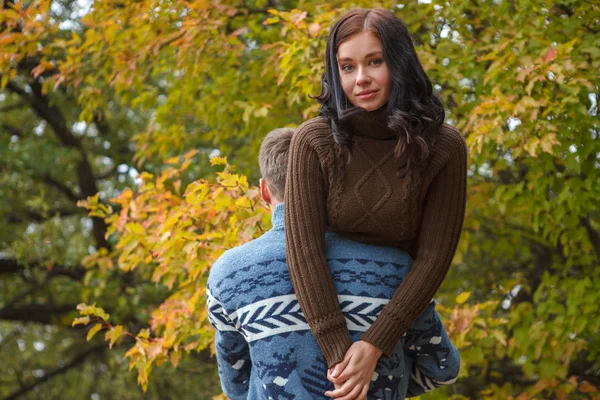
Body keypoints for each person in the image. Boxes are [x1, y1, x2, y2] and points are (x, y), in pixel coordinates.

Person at [283, 8, 467, 398]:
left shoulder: (444, 147)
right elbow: (304, 251)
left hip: (394, 330)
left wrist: (374, 345)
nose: (361, 78)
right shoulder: (314, 141)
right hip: (318, 332)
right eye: (347, 67)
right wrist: (341, 356)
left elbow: (433, 258)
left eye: (374, 62)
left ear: (399, 64)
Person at [207, 127, 460, 399]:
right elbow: (442, 367)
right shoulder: (395, 266)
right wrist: (383, 385)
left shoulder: (228, 274)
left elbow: (235, 383)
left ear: (264, 191)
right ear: (330, 180)